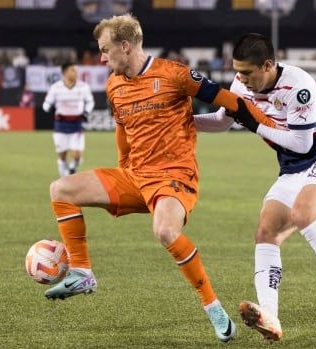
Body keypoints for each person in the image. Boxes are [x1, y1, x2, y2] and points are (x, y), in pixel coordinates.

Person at [43, 15, 276, 343]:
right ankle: (82, 272)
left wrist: (271, 127)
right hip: (134, 176)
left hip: (174, 177)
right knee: (60, 189)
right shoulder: (114, 85)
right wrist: (122, 166)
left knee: (165, 230)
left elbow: (228, 100)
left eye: (106, 50)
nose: (102, 58)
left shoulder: (173, 74)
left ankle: (213, 308)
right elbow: (122, 128)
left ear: (126, 46)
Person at [193, 33, 316, 344]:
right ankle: (269, 315)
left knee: (303, 212)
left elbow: (301, 143)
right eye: (238, 71)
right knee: (266, 230)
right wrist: (183, 121)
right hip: (292, 169)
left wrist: (253, 121)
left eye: (247, 73)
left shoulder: (298, 86)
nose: (241, 79)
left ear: (268, 65)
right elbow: (222, 121)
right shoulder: (241, 83)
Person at [42, 62, 95, 176]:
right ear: (65, 72)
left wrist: (86, 112)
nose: (76, 72)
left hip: (76, 124)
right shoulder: (55, 88)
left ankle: (72, 168)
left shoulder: (83, 87)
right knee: (62, 155)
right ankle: (64, 177)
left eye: (76, 70)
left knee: (76, 155)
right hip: (61, 125)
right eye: (72, 70)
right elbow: (46, 104)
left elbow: (90, 102)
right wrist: (49, 109)